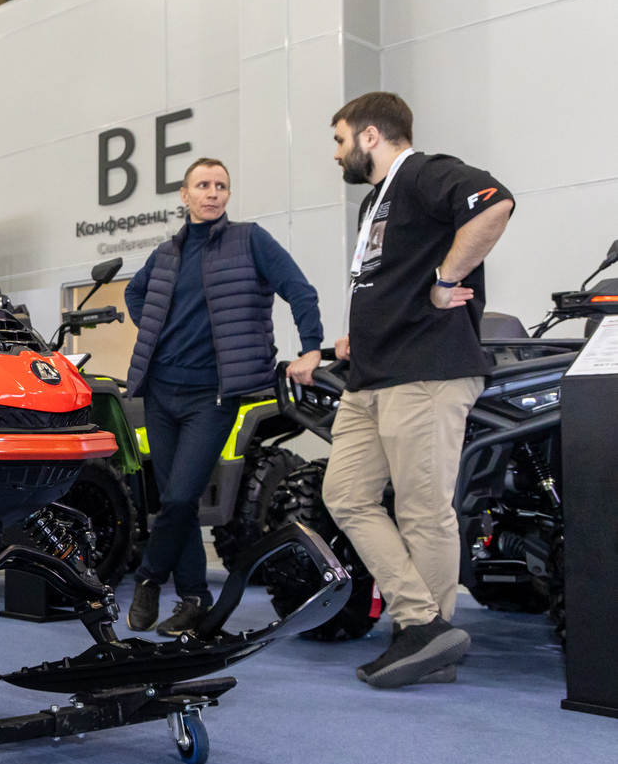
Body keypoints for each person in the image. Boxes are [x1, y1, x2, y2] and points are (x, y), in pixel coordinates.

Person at [318, 92, 514, 689]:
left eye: (339, 140)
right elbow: (390, 278)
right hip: (372, 374)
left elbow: (494, 202)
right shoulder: (374, 201)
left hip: (426, 370)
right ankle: (424, 624)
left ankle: (424, 637)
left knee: (423, 510)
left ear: (370, 135)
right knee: (346, 494)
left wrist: (446, 280)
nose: (336, 154)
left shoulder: (425, 172)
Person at [124, 159, 324, 635]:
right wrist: (157, 333)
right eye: (203, 185)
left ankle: (149, 578)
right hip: (160, 392)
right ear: (185, 195)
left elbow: (299, 290)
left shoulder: (249, 240)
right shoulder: (166, 253)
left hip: (212, 395)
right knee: (178, 502)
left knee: (178, 497)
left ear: (228, 195)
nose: (213, 193)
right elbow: (135, 293)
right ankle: (195, 599)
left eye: (221, 186)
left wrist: (312, 348)